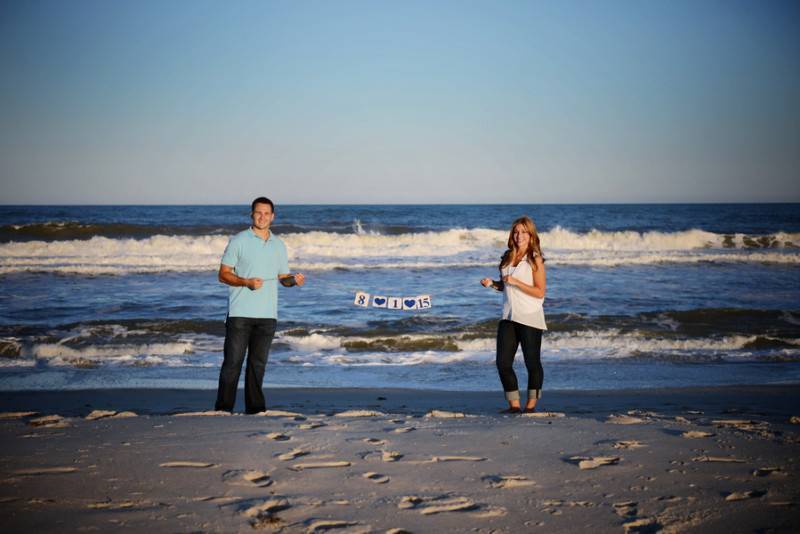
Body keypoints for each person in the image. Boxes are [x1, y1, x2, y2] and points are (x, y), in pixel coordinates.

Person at [215, 197, 305, 414]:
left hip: (267, 316)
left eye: (266, 213)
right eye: (258, 213)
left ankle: (255, 410)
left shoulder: (279, 245)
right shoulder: (239, 240)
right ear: (252, 215)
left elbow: (282, 277)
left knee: (258, 366)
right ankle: (223, 409)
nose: (262, 217)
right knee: (232, 364)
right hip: (240, 314)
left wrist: (293, 281)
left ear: (273, 217)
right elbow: (223, 275)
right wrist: (245, 282)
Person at [481, 216, 547, 414]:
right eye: (516, 232)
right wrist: (492, 284)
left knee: (532, 363)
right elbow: (506, 286)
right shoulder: (507, 257)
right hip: (508, 317)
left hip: (530, 316)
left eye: (524, 232)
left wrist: (517, 282)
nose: (519, 236)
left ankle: (531, 406)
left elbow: (540, 291)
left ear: (531, 235)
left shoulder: (535, 258)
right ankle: (514, 405)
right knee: (503, 363)